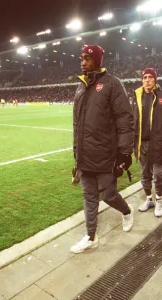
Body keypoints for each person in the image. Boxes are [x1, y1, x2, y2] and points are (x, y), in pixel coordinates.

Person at [71, 45, 135, 254]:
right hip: (85, 156)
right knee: (89, 197)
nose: (83, 62)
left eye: (88, 58)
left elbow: (124, 119)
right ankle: (91, 236)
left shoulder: (112, 84)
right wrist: (76, 156)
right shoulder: (80, 87)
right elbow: (76, 125)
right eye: (82, 58)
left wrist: (124, 153)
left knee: (108, 195)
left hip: (106, 155)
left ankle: (126, 211)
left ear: (98, 60)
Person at [133, 68, 162, 217]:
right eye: (145, 77)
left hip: (158, 143)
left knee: (158, 175)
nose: (147, 80)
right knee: (144, 174)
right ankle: (149, 199)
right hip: (141, 143)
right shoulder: (138, 96)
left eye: (151, 77)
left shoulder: (160, 96)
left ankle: (159, 200)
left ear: (155, 80)